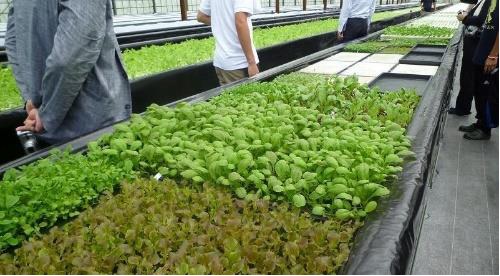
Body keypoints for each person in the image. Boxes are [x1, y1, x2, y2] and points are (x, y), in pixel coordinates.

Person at [5, 0, 132, 145]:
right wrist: (47, 115)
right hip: (94, 123)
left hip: (47, 128)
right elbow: (69, 58)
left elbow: (12, 41)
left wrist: (30, 99)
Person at [459, 0, 498, 140]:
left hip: (490, 53)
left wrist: (493, 55)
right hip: (482, 50)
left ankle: (485, 129)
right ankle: (480, 122)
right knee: (478, 89)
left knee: (486, 92)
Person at [197, 0, 260, 86]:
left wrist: (222, 23)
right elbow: (241, 22)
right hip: (239, 63)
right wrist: (251, 63)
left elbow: (201, 16)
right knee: (243, 98)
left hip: (221, 62)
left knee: (228, 98)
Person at [449, 0, 491, 116]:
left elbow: (481, 20)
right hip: (472, 46)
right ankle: (463, 107)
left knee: (470, 78)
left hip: (475, 46)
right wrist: (465, 14)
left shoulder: (490, 2)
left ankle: (466, 110)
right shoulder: (481, 1)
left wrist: (465, 18)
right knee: (467, 77)